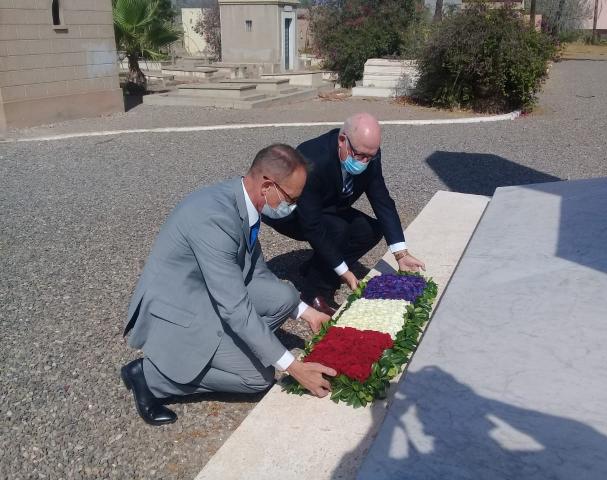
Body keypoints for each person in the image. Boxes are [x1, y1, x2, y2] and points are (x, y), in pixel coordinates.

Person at [121, 144, 336, 426]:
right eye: (290, 199)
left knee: (284, 295)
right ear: (267, 185)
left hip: (209, 293)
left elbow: (256, 272)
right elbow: (235, 307)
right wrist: (293, 367)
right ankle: (150, 376)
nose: (293, 208)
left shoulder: (242, 200)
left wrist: (308, 313)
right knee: (257, 377)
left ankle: (235, 346)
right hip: (180, 310)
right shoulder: (214, 218)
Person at [263, 113, 426, 313]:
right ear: (342, 141)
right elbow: (312, 225)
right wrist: (343, 270)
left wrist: (401, 253)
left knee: (371, 230)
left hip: (329, 206)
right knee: (337, 229)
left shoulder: (367, 152)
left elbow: (381, 199)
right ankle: (314, 293)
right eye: (360, 156)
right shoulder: (311, 160)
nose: (365, 161)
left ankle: (318, 268)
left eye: (370, 156)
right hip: (293, 213)